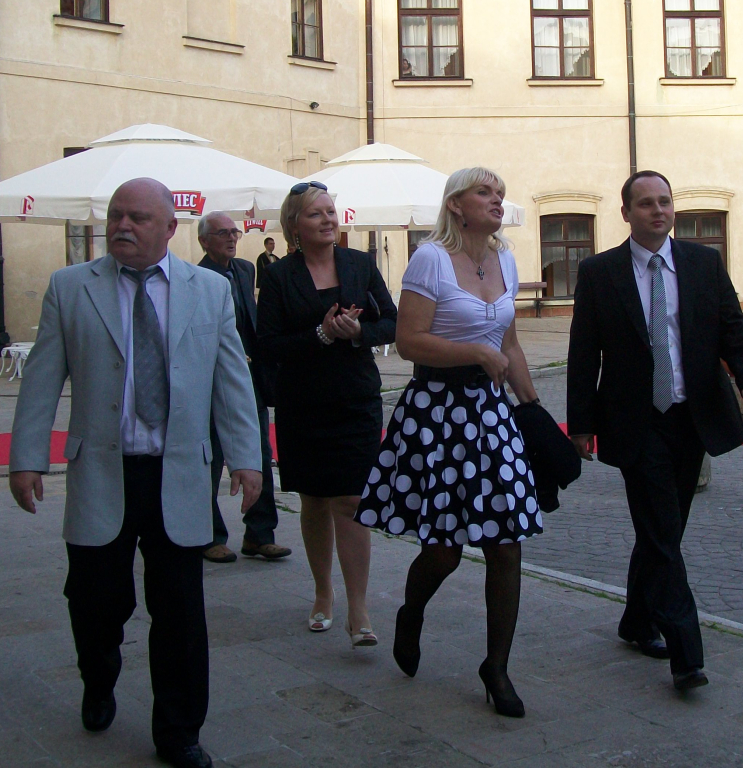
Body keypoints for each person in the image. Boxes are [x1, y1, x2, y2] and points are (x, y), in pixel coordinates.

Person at [8, 178, 264, 768]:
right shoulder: (72, 287)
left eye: (138, 218)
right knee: (95, 602)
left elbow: (231, 380)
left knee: (180, 612)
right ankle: (98, 677)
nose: (122, 226)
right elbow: (42, 378)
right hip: (101, 470)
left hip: (178, 474)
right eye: (116, 216)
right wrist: (26, 457)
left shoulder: (209, 290)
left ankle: (179, 731)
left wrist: (248, 458)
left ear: (170, 228)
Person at [567, 170, 743, 696]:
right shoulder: (600, 272)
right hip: (635, 421)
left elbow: (733, 325)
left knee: (664, 531)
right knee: (661, 530)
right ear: (626, 213)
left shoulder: (703, 262)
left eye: (665, 201)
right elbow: (584, 351)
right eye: (646, 204)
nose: (659, 211)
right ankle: (686, 655)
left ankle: (636, 619)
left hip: (691, 415)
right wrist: (581, 423)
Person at [354, 167, 542, 718]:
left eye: (500, 193)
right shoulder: (430, 259)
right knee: (444, 549)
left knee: (506, 543)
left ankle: (496, 667)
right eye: (484, 192)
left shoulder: (506, 259)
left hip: (491, 414)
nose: (497, 200)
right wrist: (476, 353)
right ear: (456, 204)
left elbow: (509, 343)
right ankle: (411, 612)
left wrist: (532, 408)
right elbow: (409, 342)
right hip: (437, 413)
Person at [256, 181, 396, 648]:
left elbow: (392, 321)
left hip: (355, 400)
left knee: (352, 499)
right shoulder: (279, 276)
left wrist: (357, 332)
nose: (328, 219)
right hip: (303, 403)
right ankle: (323, 591)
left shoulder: (359, 264)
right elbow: (267, 345)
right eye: (316, 213)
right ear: (294, 225)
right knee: (314, 500)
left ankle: (358, 607)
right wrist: (320, 334)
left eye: (331, 211)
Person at [197, 212, 290, 564]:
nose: (231, 238)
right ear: (204, 240)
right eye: (222, 233)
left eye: (233, 232)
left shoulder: (245, 270)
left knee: (259, 452)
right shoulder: (198, 277)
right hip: (212, 378)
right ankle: (209, 535)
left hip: (249, 375)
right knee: (212, 457)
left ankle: (259, 534)